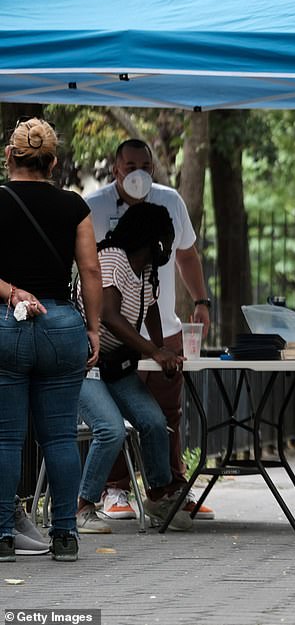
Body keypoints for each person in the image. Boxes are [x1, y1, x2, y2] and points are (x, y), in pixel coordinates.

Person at [85, 139, 214, 521]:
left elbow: (176, 271)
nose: (138, 171)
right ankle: (112, 491)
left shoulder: (168, 207)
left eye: (145, 164)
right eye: (130, 165)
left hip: (157, 334)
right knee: (113, 422)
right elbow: (106, 308)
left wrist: (195, 307)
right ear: (115, 168)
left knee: (164, 414)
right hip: (105, 347)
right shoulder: (96, 215)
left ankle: (167, 487)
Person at [0, 118, 102, 562]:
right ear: (53, 161)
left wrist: (14, 292)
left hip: (8, 322)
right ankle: (65, 535)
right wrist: (94, 328)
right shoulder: (74, 206)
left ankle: (3, 535)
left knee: (5, 439)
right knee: (60, 437)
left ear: (9, 157)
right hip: (63, 324)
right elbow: (92, 272)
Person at [74, 203, 193, 534]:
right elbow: (109, 314)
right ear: (153, 240)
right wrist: (155, 352)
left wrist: (164, 349)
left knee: (154, 422)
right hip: (87, 366)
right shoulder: (113, 258)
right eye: (167, 242)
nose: (169, 249)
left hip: (117, 365)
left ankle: (157, 495)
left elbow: (151, 308)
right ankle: (82, 507)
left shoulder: (143, 269)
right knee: (110, 429)